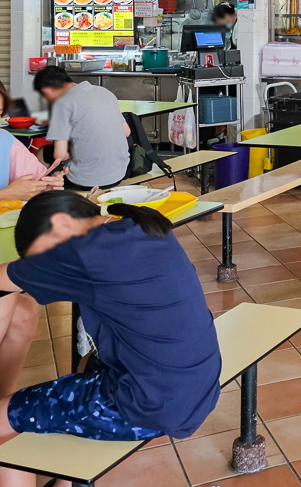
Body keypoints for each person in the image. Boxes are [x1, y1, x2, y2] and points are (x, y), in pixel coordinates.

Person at [0, 193, 221, 487]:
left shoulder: (83, 253)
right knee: (84, 367)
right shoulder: (140, 222)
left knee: (6, 418)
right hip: (199, 386)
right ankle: (68, 480)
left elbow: (3, 278)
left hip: (150, 405)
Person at [33, 67, 130, 191]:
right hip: (119, 173)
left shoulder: (61, 103)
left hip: (84, 180)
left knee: (43, 152)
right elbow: (126, 132)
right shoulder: (104, 92)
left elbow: (60, 156)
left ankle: (37, 193)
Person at [0, 82, 64, 202]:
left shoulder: (5, 141)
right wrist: (7, 194)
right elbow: (14, 193)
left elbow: (35, 182)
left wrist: (46, 185)